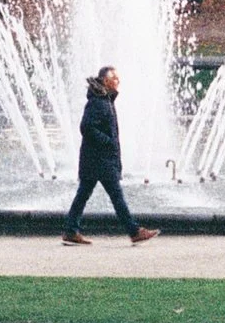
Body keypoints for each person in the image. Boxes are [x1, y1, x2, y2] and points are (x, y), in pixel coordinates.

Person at [63, 66, 159, 245]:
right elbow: (86, 127)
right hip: (100, 160)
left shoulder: (104, 100)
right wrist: (108, 142)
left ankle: (70, 231)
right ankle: (134, 232)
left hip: (97, 159)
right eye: (114, 78)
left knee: (83, 195)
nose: (118, 81)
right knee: (116, 196)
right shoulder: (98, 102)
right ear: (106, 81)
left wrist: (109, 143)